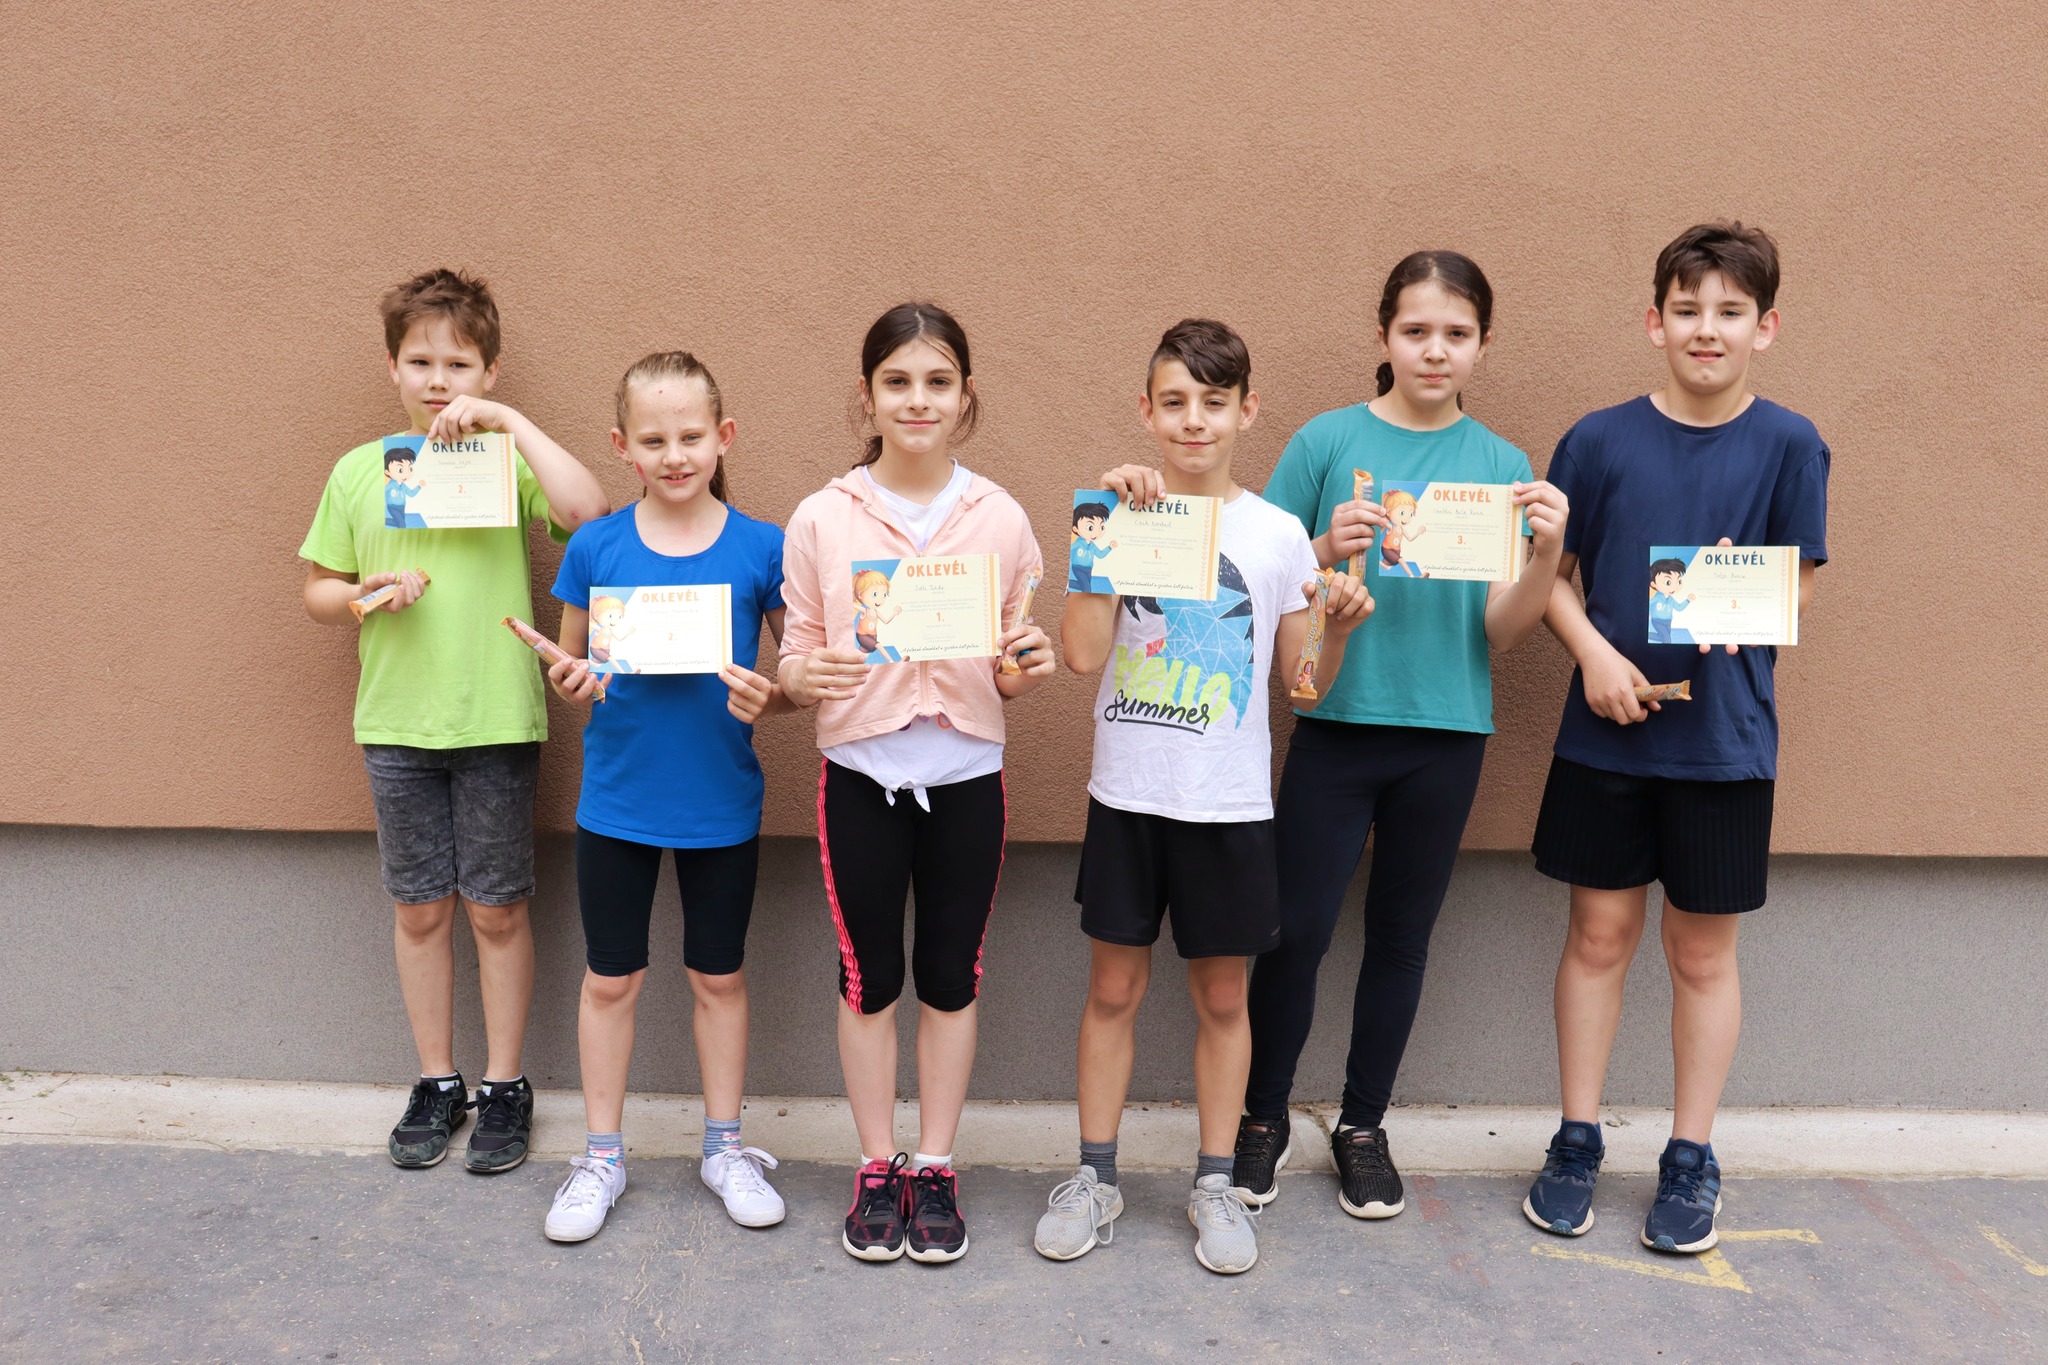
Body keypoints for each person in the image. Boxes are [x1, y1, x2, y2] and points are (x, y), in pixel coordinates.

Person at [1238, 253, 1570, 1224]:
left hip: (1445, 731)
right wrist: (1319, 548)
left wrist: (1547, 553)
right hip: (1334, 725)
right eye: (1416, 330)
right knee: (1294, 930)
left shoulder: (1500, 464)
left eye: (1456, 333)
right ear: (1383, 334)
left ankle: (1361, 1125)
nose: (1434, 350)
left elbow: (1500, 630)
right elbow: (1258, 579)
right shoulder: (1324, 441)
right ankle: (1260, 1116)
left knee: (1400, 935)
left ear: (1482, 345)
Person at [1035, 319, 1370, 1275]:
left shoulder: (1276, 535)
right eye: (1175, 401)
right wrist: (1103, 531)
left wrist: (1340, 628)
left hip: (1227, 806)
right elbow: (1082, 653)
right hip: (1127, 796)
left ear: (1246, 411)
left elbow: (1303, 688)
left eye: (1214, 403)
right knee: (1112, 989)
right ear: (1146, 410)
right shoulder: (1115, 513)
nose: (1194, 420)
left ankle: (1216, 1183)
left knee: (1225, 997)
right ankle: (1095, 1176)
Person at [1524, 221, 1828, 1255]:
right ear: (1653, 321)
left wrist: (1739, 593)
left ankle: (1690, 1154)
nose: (1707, 329)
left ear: (1765, 327)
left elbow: (1796, 584)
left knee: (1701, 955)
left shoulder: (1790, 444)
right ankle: (1575, 1139)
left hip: (1723, 745)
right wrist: (1592, 657)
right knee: (1596, 938)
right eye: (1687, 309)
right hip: (1603, 739)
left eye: (1730, 312)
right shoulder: (1597, 440)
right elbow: (1553, 579)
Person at [298, 267, 607, 1172]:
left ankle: (506, 1083)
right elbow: (317, 590)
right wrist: (365, 594)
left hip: (496, 717)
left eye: (460, 364)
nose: (439, 380)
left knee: (498, 911)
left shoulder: (507, 461)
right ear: (392, 367)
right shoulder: (360, 470)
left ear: (490, 371)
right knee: (421, 909)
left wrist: (509, 424)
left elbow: (588, 513)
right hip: (396, 722)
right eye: (421, 361)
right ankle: (438, 1079)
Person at [778, 302, 1052, 1263]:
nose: (918, 400)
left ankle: (935, 1164)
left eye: (938, 381)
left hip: (967, 773)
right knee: (867, 977)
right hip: (861, 772)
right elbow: (797, 652)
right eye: (897, 381)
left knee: (950, 971)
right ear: (867, 395)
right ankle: (876, 1162)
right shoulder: (823, 515)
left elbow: (1009, 660)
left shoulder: (1000, 515)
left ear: (966, 395)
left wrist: (1023, 667)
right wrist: (799, 676)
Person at [538, 352, 794, 1242]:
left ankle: (724, 1146)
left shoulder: (762, 545)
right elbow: (573, 662)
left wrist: (777, 696)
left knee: (719, 975)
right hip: (618, 802)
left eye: (691, 436)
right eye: (654, 440)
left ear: (724, 437)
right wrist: (573, 679)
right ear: (622, 446)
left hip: (721, 800)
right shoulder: (596, 546)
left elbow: (796, 674)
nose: (674, 455)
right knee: (611, 977)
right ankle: (601, 1156)